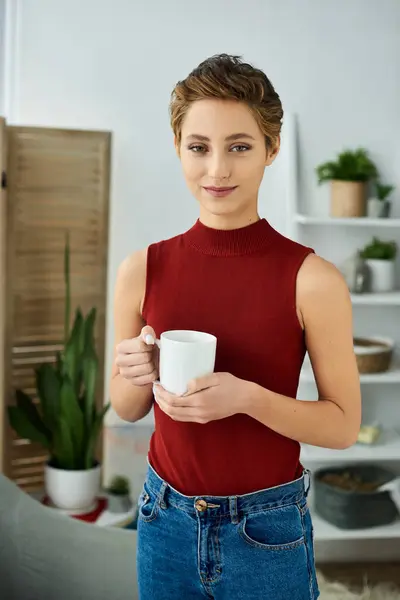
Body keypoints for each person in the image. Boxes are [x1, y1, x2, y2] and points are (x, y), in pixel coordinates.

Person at [110, 54, 361, 600]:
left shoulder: (312, 279)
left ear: (272, 148)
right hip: (162, 518)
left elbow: (342, 426)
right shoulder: (140, 269)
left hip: (266, 529)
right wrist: (137, 371)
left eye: (240, 147)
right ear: (178, 147)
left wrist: (246, 398)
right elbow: (126, 408)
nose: (217, 169)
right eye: (198, 147)